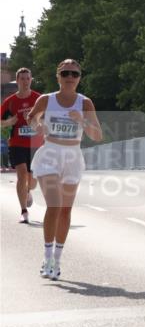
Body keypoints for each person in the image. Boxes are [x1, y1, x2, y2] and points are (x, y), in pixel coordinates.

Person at [26, 60, 102, 280]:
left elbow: (97, 136)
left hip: (72, 157)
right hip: (50, 154)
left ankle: (57, 260)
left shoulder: (85, 103)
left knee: (65, 211)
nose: (70, 77)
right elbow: (31, 118)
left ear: (79, 78)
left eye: (75, 74)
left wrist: (82, 121)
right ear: (58, 76)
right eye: (65, 73)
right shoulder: (46, 100)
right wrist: (38, 126)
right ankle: (47, 257)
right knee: (54, 205)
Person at [1, 68, 43, 223]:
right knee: (22, 174)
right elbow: (0, 122)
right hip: (17, 143)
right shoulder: (10, 101)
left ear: (31, 80)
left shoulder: (39, 99)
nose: (25, 82)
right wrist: (8, 122)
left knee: (32, 181)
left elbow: (46, 121)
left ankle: (28, 191)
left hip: (35, 144)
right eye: (22, 79)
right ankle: (24, 211)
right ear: (17, 81)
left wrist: (35, 121)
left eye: (28, 79)